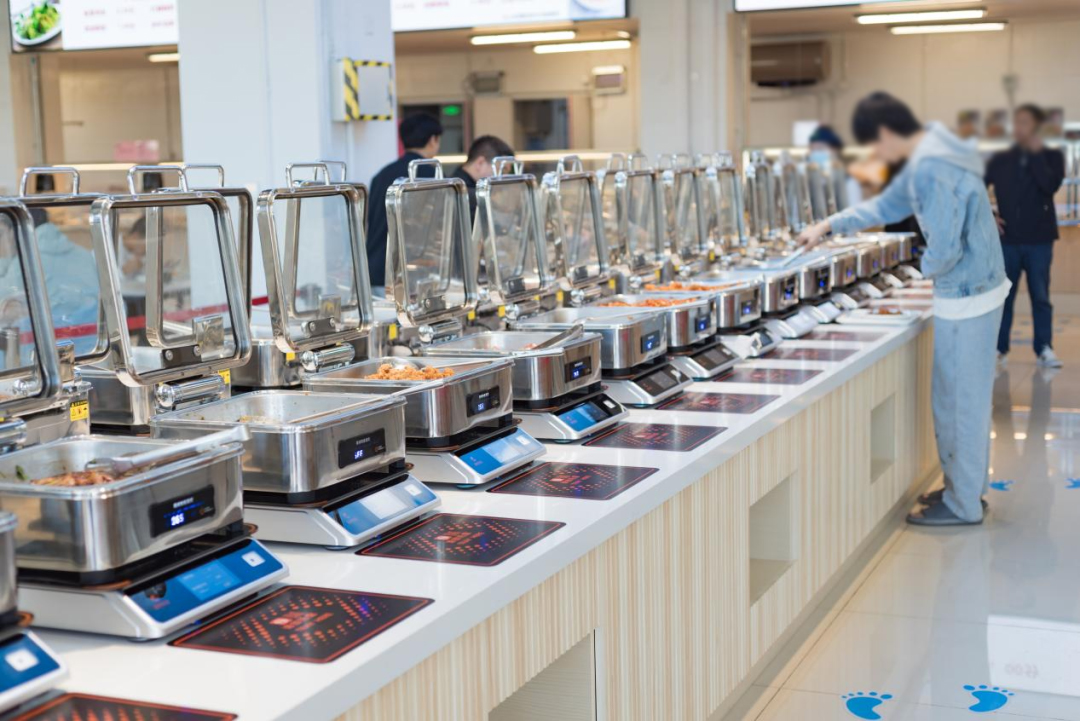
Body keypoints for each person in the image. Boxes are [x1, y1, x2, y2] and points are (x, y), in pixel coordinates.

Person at [798, 92, 1008, 527]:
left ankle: (963, 505)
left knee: (960, 404)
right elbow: (886, 206)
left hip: (967, 294)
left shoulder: (932, 167)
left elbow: (946, 248)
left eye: (875, 146)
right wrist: (828, 224)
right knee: (959, 399)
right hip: (972, 289)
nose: (878, 156)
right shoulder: (929, 153)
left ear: (886, 133)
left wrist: (920, 273)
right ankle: (964, 489)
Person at [986, 103, 1066, 369]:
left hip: (1039, 241)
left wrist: (1035, 154)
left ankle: (1044, 348)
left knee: (1040, 296)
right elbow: (976, 187)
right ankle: (999, 348)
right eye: (1016, 121)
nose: (1018, 127)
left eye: (1025, 122)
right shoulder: (1001, 157)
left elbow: (1049, 185)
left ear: (1037, 126)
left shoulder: (1052, 156)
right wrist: (989, 215)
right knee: (1004, 296)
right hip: (1008, 240)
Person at [366, 113, 443, 295]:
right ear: (433, 140)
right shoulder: (433, 176)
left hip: (375, 271)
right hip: (411, 276)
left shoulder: (381, 175)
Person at [451, 135, 515, 219]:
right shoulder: (469, 198)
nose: (503, 178)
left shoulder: (454, 187)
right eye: (501, 170)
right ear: (480, 163)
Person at [808, 125, 863, 210]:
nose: (816, 153)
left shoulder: (849, 183)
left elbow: (855, 213)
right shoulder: (809, 183)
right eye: (813, 149)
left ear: (835, 150)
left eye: (820, 148)